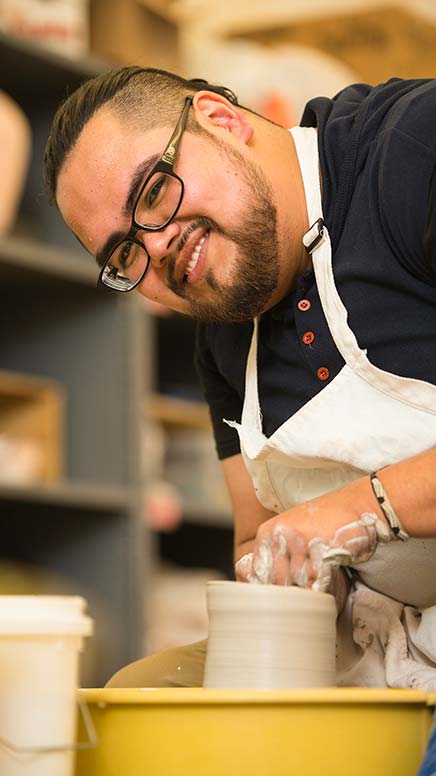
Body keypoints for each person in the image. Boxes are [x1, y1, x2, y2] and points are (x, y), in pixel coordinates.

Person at [43, 66, 436, 691]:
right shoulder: (222, 339)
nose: (158, 247)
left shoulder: (414, 150)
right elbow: (255, 536)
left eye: (152, 192)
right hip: (377, 640)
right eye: (123, 255)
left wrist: (365, 508)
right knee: (134, 702)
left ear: (220, 120)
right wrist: (273, 571)